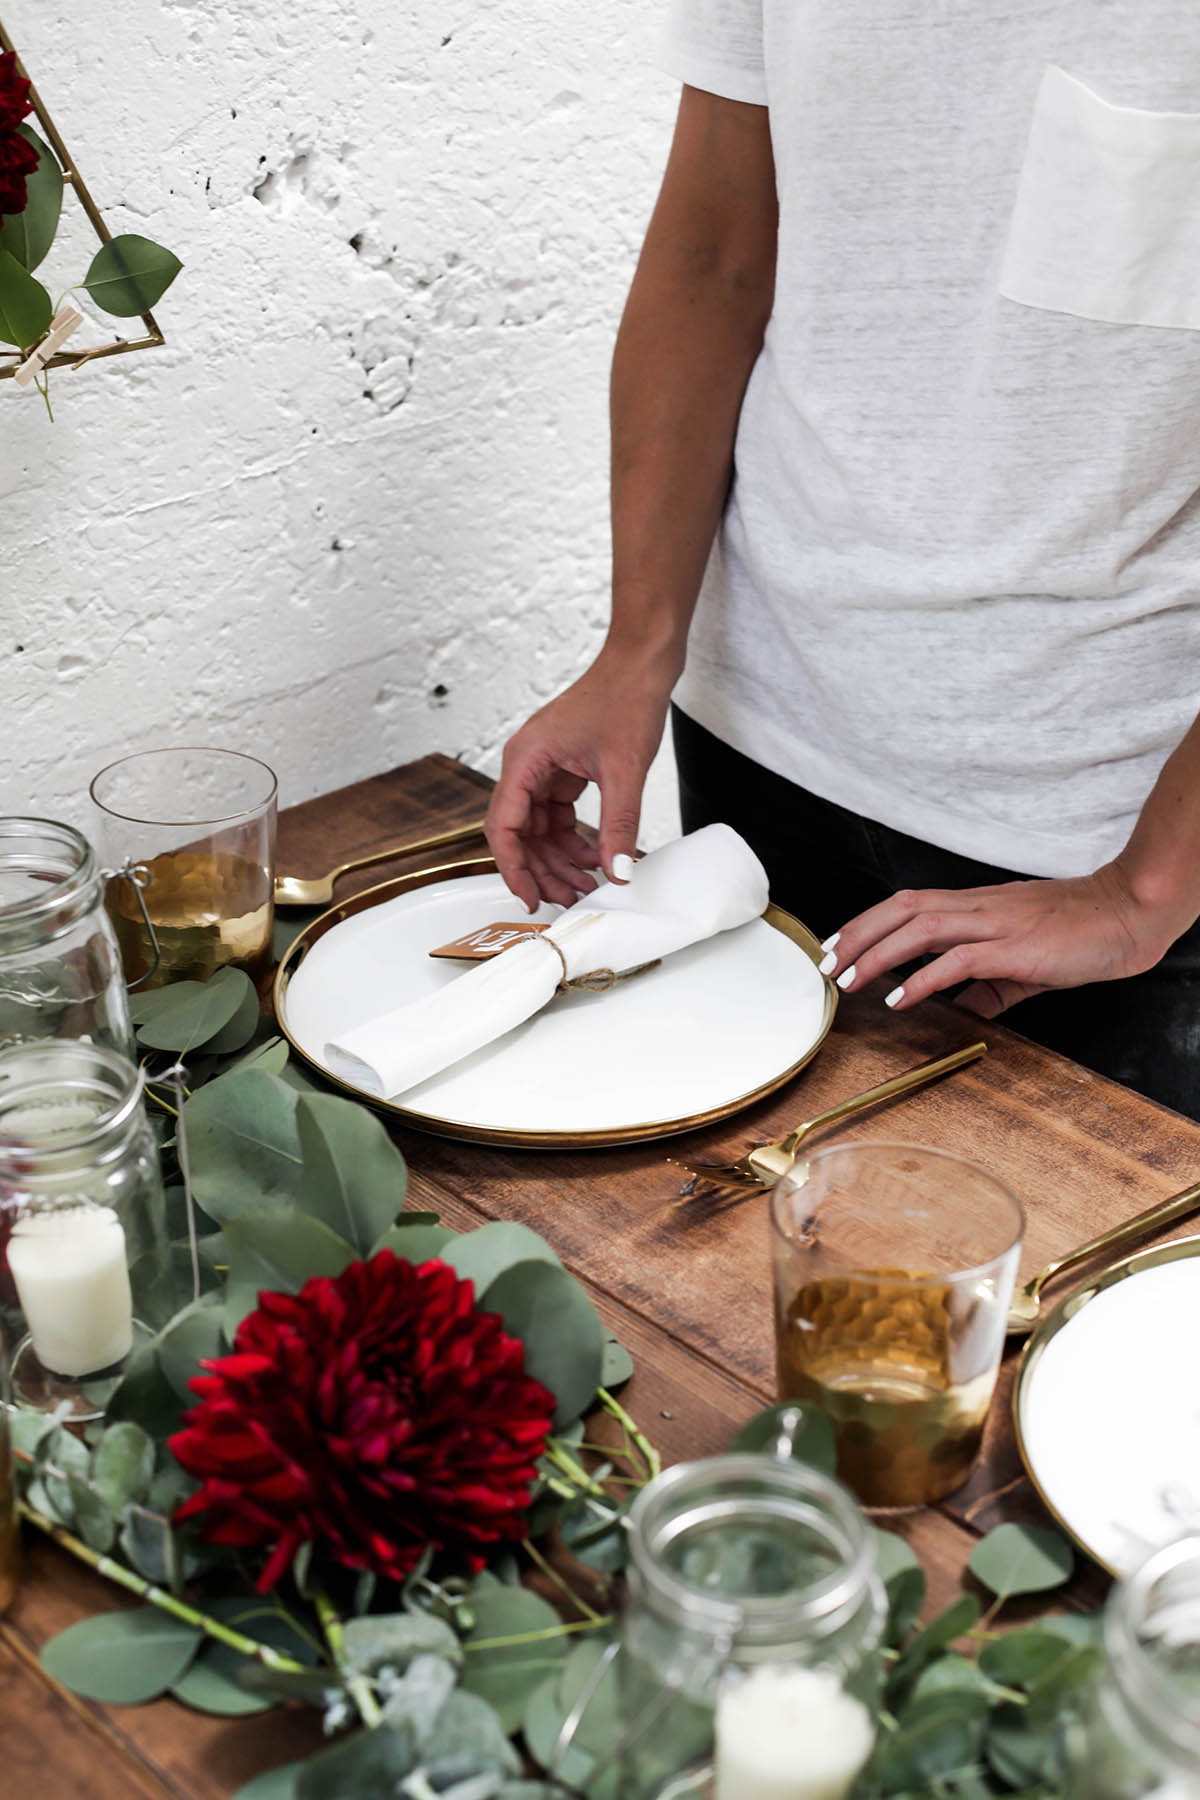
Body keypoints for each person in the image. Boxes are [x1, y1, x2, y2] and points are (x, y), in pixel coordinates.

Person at [485, 7, 1200, 1118]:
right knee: (751, 1255)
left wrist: (1144, 889)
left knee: (1051, 1279)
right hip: (761, 745)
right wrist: (636, 649)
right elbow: (715, 254)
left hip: (1105, 825)